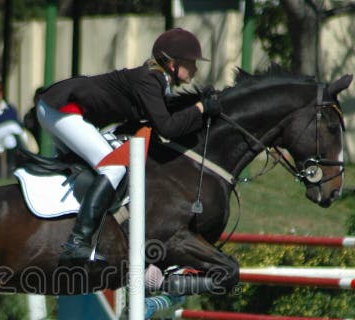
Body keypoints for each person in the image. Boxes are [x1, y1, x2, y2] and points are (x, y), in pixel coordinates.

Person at [36, 27, 221, 265]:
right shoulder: (149, 79)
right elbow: (168, 128)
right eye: (191, 63)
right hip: (62, 109)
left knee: (92, 169)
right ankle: (76, 242)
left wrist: (198, 106)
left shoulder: (156, 79)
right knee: (113, 168)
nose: (195, 68)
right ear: (172, 63)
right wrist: (200, 109)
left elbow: (162, 116)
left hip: (58, 107)